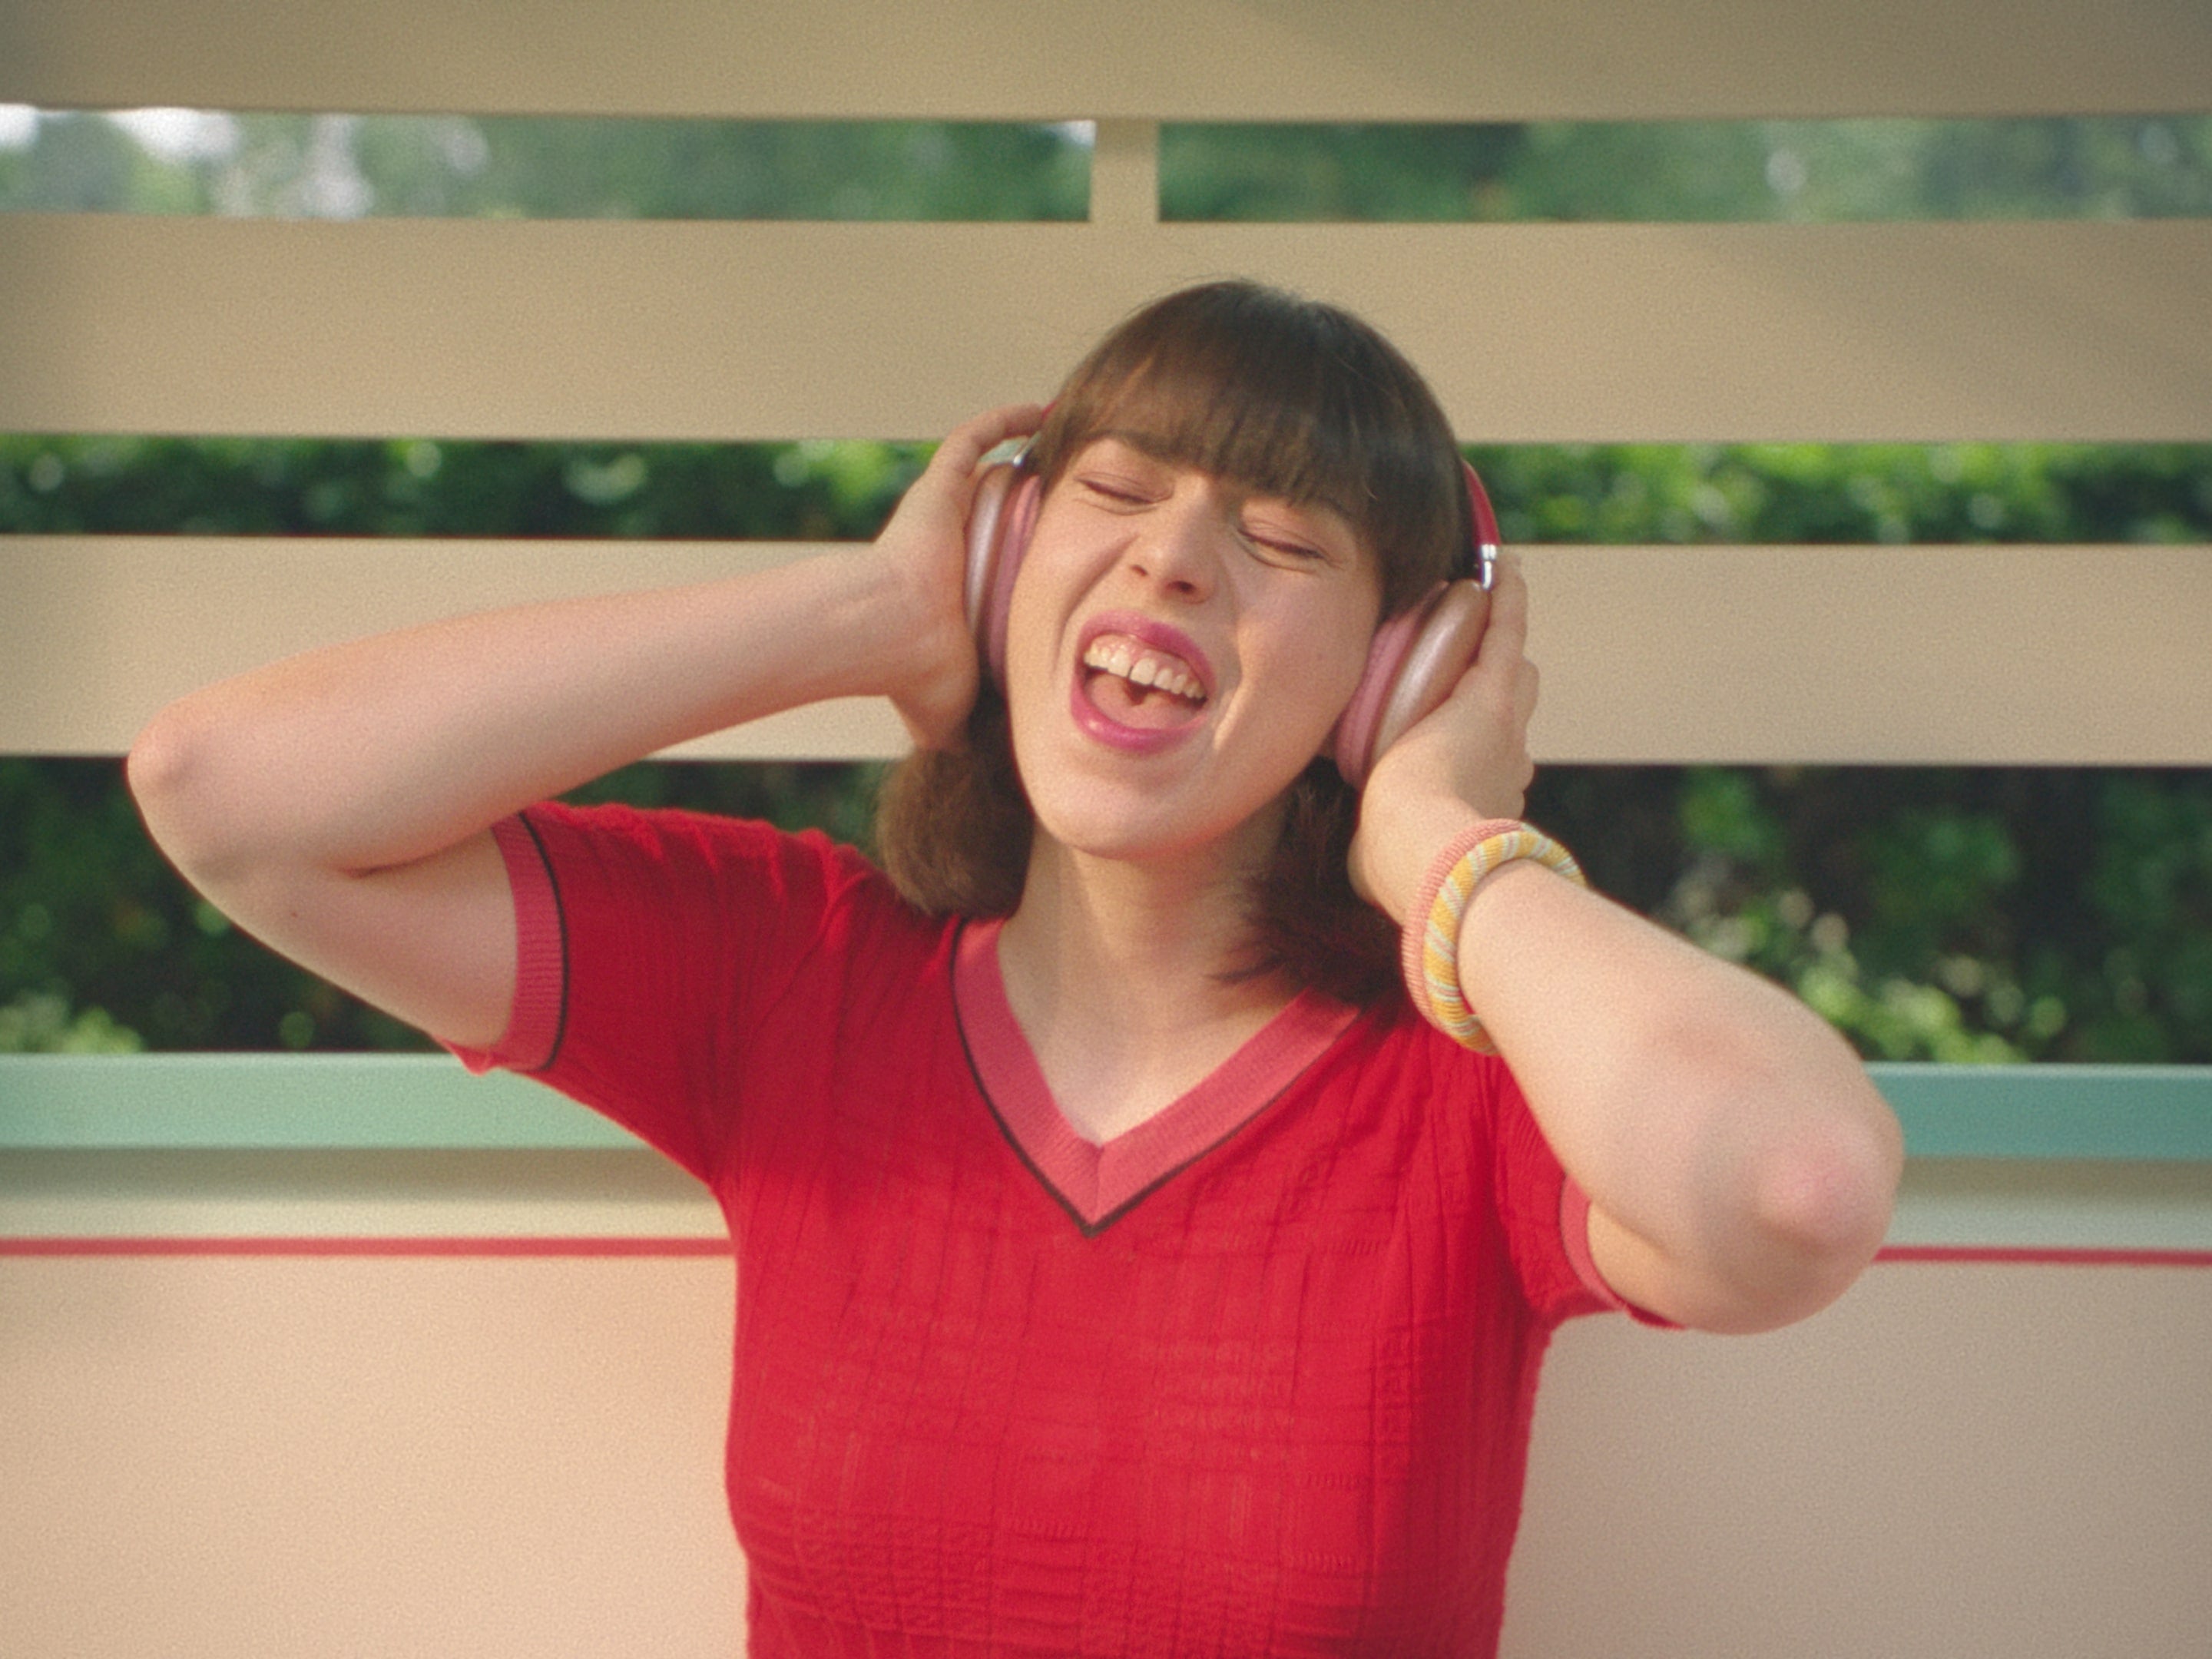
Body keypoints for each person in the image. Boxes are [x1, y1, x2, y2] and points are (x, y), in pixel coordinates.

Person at [128, 279, 1902, 1656]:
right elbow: (230, 796)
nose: (1173, 557)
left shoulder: (1471, 1089)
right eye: (1113, 492)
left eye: (1284, 541)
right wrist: (866, 619)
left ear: (1396, 671)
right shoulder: (788, 977)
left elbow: (1797, 1186)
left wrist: (1439, 832)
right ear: (1001, 564)